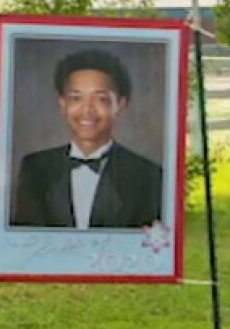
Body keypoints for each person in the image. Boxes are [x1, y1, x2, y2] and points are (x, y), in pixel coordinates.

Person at [12, 48, 163, 229]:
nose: (87, 110)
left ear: (121, 106)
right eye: (76, 98)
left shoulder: (148, 175)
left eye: (101, 99)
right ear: (63, 104)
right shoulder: (35, 168)